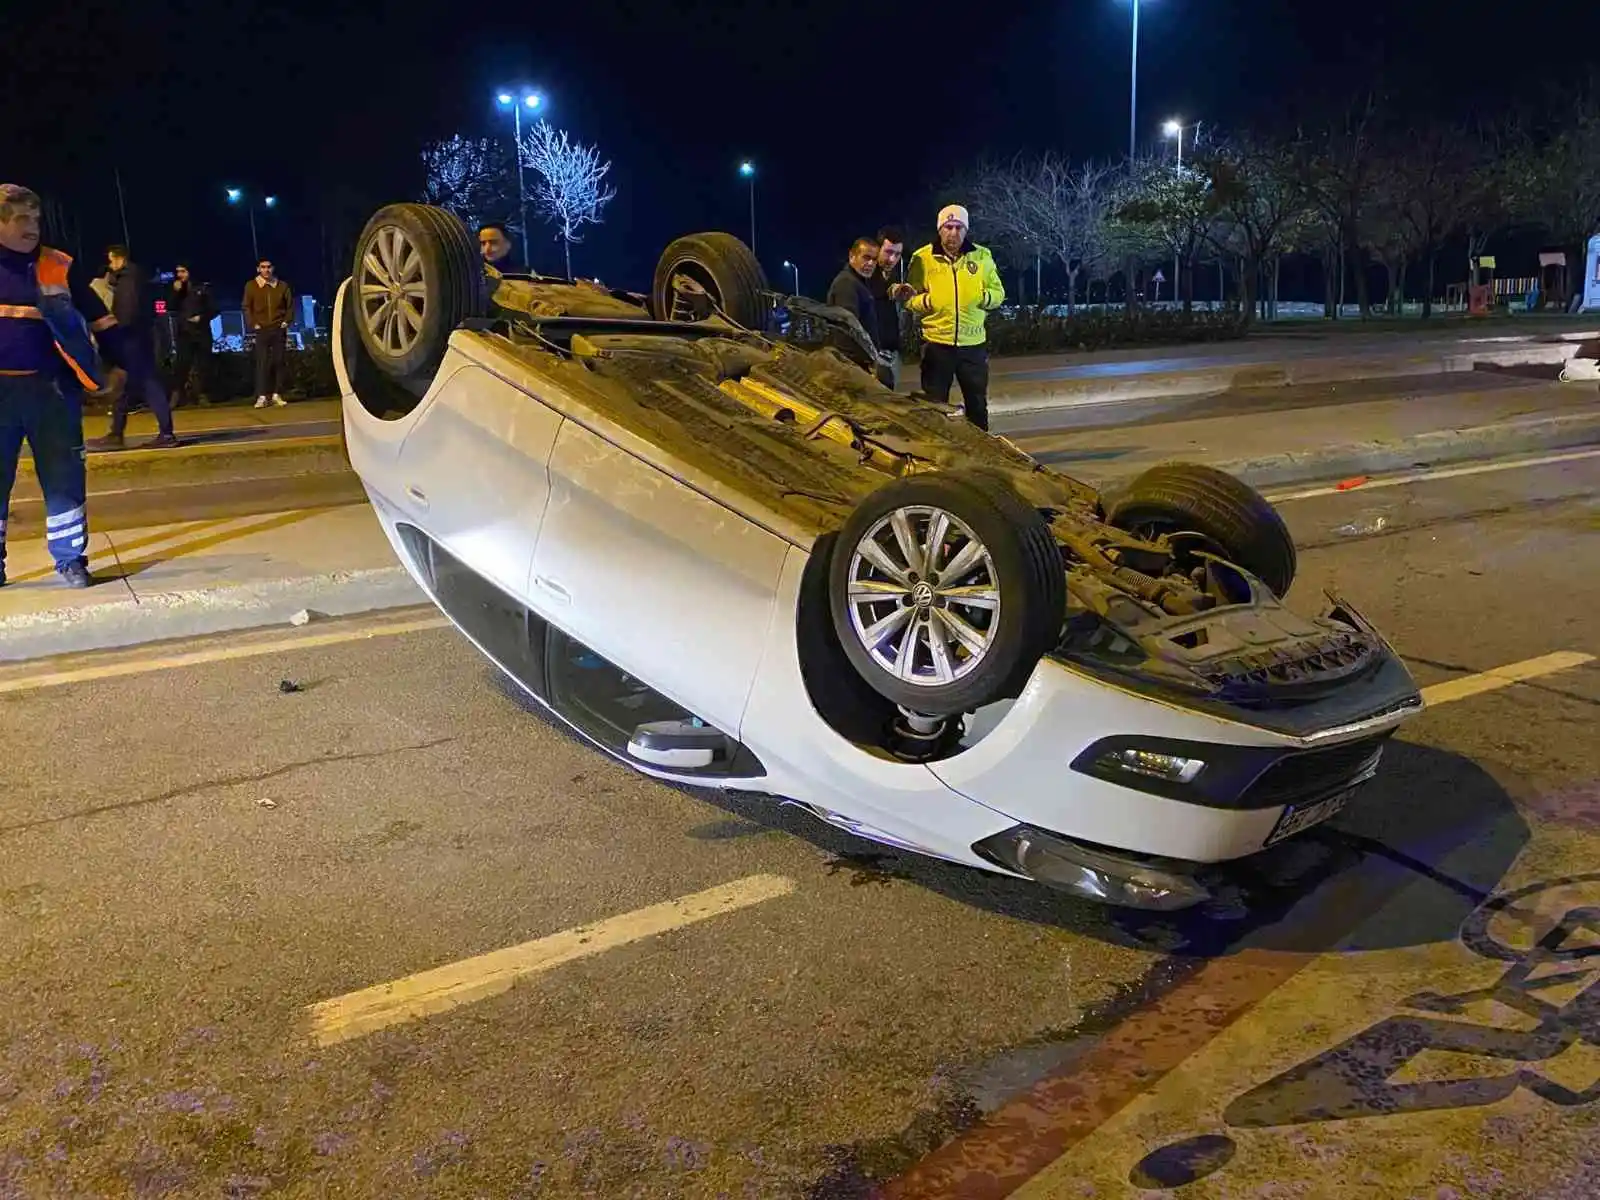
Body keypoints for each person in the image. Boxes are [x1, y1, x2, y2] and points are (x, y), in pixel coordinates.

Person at [0, 184, 117, 588]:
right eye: (21, 219)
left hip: (51, 391)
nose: (33, 227)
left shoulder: (58, 265)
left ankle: (70, 560)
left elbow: (101, 319)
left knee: (64, 477)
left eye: (35, 218)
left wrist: (119, 364)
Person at [902, 204, 1005, 430]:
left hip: (973, 345)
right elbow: (908, 298)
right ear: (940, 229)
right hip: (937, 345)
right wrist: (927, 301)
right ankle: (936, 453)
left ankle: (983, 453)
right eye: (948, 226)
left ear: (966, 230)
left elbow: (999, 293)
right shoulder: (922, 258)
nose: (953, 232)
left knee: (977, 405)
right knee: (935, 406)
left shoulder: (981, 256)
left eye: (959, 227)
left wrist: (984, 297)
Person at [87, 244, 178, 450]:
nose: (110, 266)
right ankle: (117, 433)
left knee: (147, 383)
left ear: (118, 259)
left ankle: (166, 433)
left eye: (111, 261)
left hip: (132, 339)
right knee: (124, 387)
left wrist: (118, 335)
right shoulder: (135, 277)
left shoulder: (129, 280)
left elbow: (127, 311)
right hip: (138, 337)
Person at [242, 258, 292, 408]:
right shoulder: (251, 286)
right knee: (262, 362)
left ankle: (277, 394)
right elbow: (246, 306)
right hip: (261, 329)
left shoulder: (282, 286)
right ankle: (262, 396)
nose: (266, 270)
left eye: (269, 267)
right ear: (258, 269)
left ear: (273, 268)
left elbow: (290, 306)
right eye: (263, 267)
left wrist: (286, 321)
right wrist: (253, 323)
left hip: (278, 328)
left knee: (279, 361)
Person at [168, 264, 216, 407]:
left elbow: (214, 309)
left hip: (201, 332)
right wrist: (175, 292)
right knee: (181, 364)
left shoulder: (203, 288)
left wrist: (201, 317)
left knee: (203, 364)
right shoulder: (177, 289)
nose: (180, 275)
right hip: (184, 332)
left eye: (183, 271)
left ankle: (201, 394)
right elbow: (170, 306)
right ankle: (178, 395)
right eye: (178, 272)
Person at [867, 226, 906, 388]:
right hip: (874, 353)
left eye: (897, 254)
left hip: (892, 351)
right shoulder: (866, 274)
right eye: (888, 252)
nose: (892, 259)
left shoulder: (893, 274)